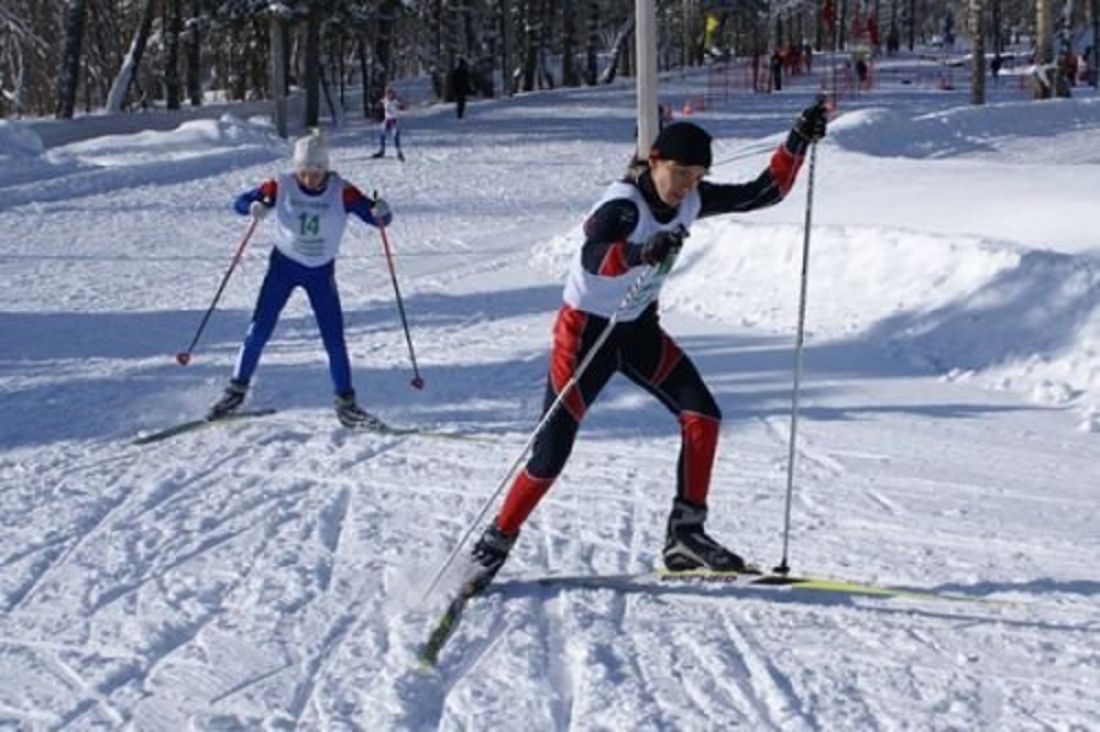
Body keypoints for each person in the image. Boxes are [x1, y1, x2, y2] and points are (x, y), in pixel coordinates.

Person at [464, 101, 830, 594]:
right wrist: (639, 252)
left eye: (697, 176)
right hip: (584, 336)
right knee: (550, 455)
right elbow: (594, 257)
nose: (685, 185)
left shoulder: (690, 200)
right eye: (679, 172)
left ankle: (686, 535)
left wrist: (797, 142)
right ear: (654, 161)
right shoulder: (620, 205)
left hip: (637, 331)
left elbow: (764, 192)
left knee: (704, 415)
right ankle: (495, 543)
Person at [209, 133, 394, 428]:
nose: (309, 179)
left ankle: (346, 403)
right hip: (283, 268)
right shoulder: (279, 185)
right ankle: (235, 391)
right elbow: (239, 202)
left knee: (333, 337)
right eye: (304, 172)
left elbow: (377, 219)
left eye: (316, 172)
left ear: (325, 169)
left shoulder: (341, 191)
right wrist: (253, 207)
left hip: (320, 272)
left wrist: (381, 211)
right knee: (259, 329)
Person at [372, 88, 404, 161]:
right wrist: (377, 106)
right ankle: (382, 151)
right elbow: (378, 104)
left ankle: (399, 152)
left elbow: (402, 106)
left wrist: (402, 106)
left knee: (395, 136)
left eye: (390, 94)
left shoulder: (396, 101)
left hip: (394, 120)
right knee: (382, 135)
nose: (389, 96)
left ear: (393, 94)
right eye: (388, 94)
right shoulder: (385, 99)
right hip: (387, 120)